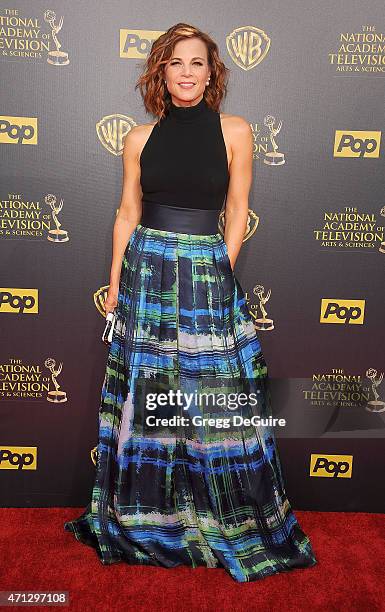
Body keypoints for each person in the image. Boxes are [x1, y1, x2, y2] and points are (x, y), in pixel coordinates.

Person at [64, 22, 317, 583]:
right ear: (162, 70)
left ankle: (226, 514)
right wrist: (114, 280)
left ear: (212, 72)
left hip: (205, 269)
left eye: (197, 63)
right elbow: (127, 213)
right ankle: (146, 515)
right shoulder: (137, 137)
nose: (186, 72)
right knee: (150, 392)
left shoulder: (236, 131)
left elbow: (237, 210)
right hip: (146, 270)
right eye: (176, 62)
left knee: (212, 397)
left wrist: (220, 271)